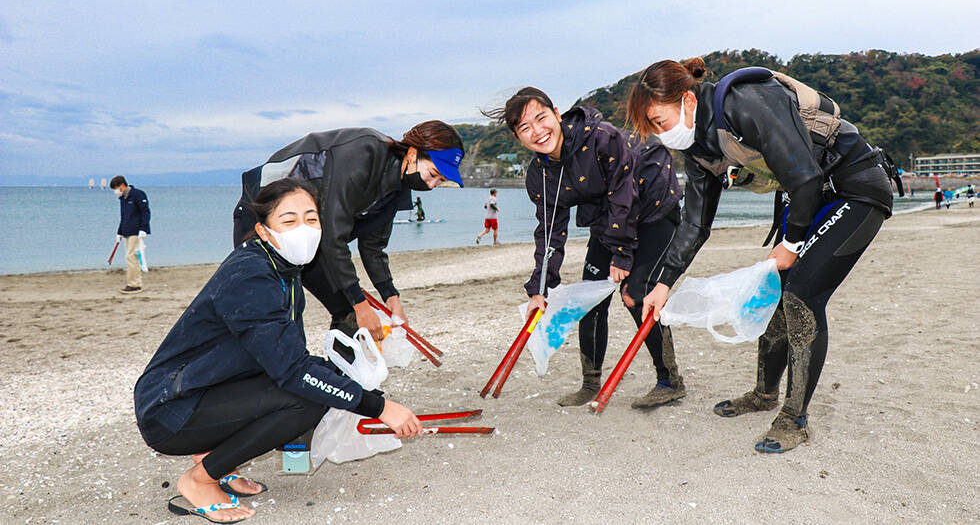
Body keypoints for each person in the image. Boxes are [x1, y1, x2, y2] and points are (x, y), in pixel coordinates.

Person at [630, 58, 899, 453]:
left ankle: (795, 419)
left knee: (802, 296)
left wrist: (789, 245)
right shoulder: (701, 148)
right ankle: (764, 394)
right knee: (774, 291)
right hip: (812, 198)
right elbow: (694, 225)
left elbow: (805, 177)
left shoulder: (748, 100)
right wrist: (663, 283)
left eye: (658, 121)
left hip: (856, 190)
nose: (659, 135)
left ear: (687, 100)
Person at [136, 178, 423, 523]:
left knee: (324, 384)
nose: (303, 229)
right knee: (308, 400)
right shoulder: (252, 277)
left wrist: (356, 389)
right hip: (170, 409)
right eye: (289, 221)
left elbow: (288, 358)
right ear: (264, 231)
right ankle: (199, 480)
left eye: (311, 218)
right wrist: (379, 407)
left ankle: (211, 455)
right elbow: (293, 372)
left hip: (201, 389)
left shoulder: (282, 270)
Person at [484, 87, 684, 408]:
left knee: (635, 293)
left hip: (653, 204)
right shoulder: (541, 175)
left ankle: (669, 380)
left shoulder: (602, 138)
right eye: (525, 127)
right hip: (610, 217)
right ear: (517, 137)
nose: (537, 131)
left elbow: (624, 192)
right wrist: (540, 287)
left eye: (541, 117)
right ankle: (590, 383)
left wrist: (622, 253)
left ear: (557, 113)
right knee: (590, 297)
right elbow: (549, 231)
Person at [234, 122, 464, 344]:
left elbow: (373, 246)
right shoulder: (364, 151)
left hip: (311, 235)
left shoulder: (397, 188)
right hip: (263, 218)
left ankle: (341, 381)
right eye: (433, 173)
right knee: (277, 314)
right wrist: (360, 302)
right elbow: (335, 234)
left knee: (350, 317)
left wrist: (391, 296)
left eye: (440, 181)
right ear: (413, 154)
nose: (432, 184)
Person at [110, 175, 150, 294]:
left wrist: (143, 228)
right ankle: (133, 282)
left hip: (136, 232)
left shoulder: (138, 195)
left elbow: (145, 212)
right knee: (130, 256)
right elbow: (124, 217)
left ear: (122, 186)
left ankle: (134, 284)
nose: (116, 192)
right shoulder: (123, 199)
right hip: (127, 231)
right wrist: (119, 232)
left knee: (131, 256)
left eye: (116, 189)